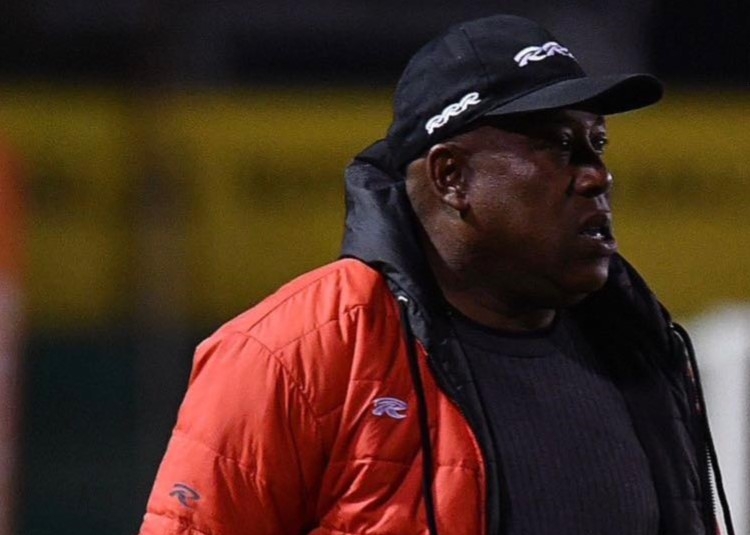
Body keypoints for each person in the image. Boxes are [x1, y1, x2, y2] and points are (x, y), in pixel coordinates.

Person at [138, 14, 734, 535]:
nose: (597, 175)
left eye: (597, 144)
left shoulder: (639, 349)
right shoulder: (294, 354)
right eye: (559, 146)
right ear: (452, 177)